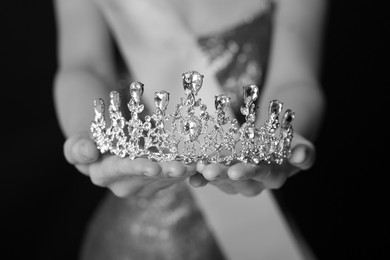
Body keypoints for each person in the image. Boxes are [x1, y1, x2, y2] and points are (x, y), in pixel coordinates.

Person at [53, 0, 326, 259]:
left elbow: (293, 80)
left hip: (261, 222)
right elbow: (85, 66)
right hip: (135, 240)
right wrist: (84, 131)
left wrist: (278, 133)